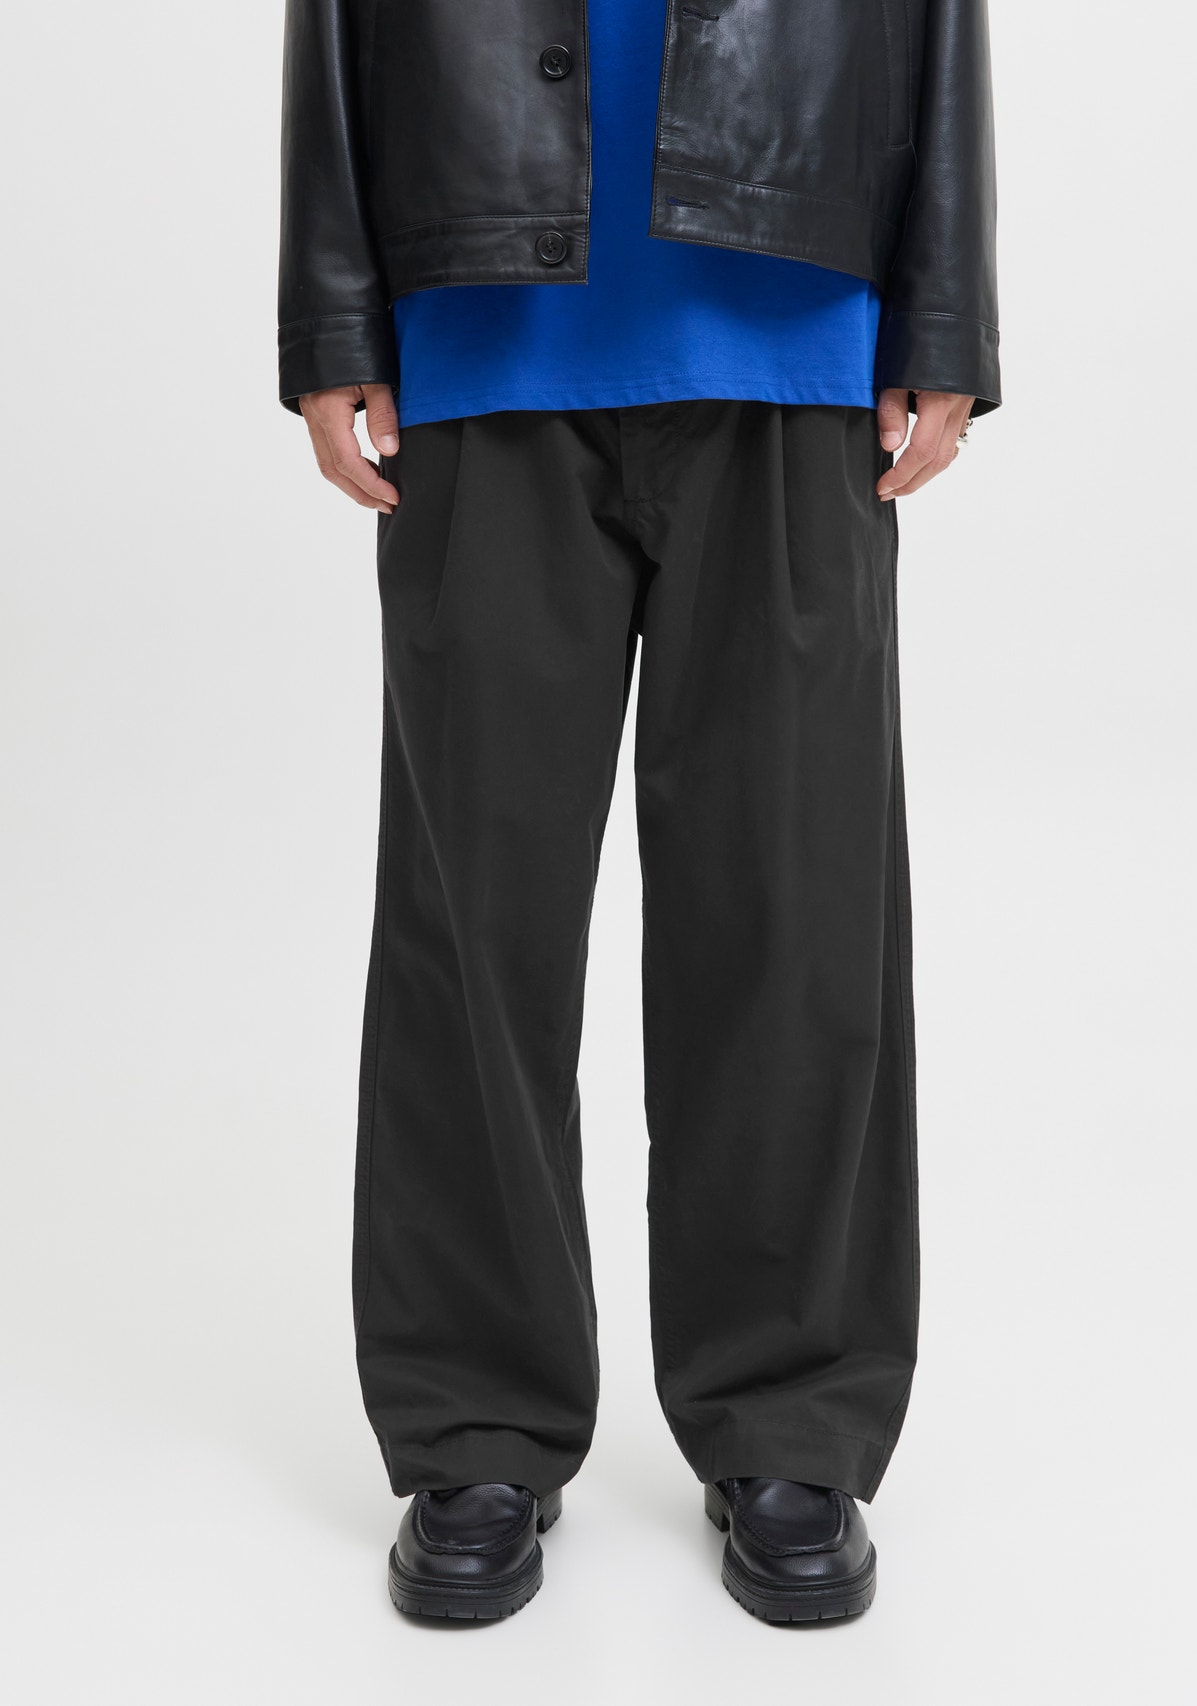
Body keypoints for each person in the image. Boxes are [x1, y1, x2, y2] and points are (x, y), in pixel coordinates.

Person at [277, 0, 1000, 1624]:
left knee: (795, 906)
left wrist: (945, 307)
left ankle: (790, 1412)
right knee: (476, 927)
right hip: (481, 317)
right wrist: (330, 309)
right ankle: (477, 1418)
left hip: (791, 311)